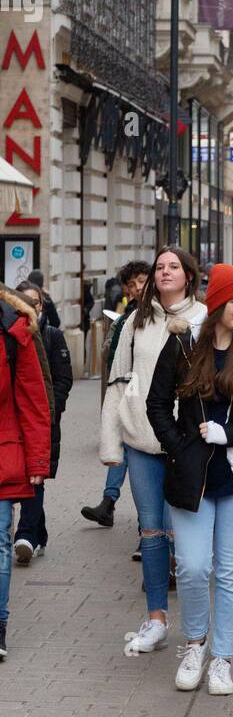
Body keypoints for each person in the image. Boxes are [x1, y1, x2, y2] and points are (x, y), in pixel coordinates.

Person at [146, 265, 233, 695]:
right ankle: (194, 644)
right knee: (191, 567)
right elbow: (157, 404)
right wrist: (180, 447)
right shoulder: (185, 345)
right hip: (193, 476)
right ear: (217, 303)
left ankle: (223, 658)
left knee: (230, 573)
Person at [100, 246, 206, 654]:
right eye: (159, 266)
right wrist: (112, 441)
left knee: (183, 529)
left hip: (187, 439)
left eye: (173, 266)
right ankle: (157, 617)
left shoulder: (203, 319)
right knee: (151, 530)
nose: (164, 272)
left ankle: (196, 627)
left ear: (188, 276)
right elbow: (117, 380)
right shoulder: (136, 321)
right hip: (142, 438)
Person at [0, 283, 52, 658]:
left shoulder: (14, 329)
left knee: (0, 542)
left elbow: (34, 401)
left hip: (3, 454)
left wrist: (37, 461)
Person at [83, 260, 150, 529]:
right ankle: (110, 503)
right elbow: (113, 355)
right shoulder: (127, 318)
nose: (137, 288)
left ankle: (142, 522)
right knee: (125, 442)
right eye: (132, 284)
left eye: (142, 281)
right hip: (132, 386)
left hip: (160, 394)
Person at [13, 284, 73, 563]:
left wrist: (53, 409)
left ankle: (25, 534)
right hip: (14, 421)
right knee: (26, 478)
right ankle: (37, 533)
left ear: (41, 306)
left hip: (44, 420)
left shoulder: (52, 335)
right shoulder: (11, 335)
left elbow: (64, 379)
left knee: (36, 478)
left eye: (34, 302)